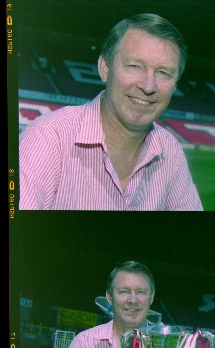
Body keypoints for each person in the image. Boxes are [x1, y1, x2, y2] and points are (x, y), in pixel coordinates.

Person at [19, 14, 203, 211]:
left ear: (175, 84)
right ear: (105, 68)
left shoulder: (170, 150)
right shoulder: (48, 137)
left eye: (164, 73)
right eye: (134, 66)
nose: (149, 86)